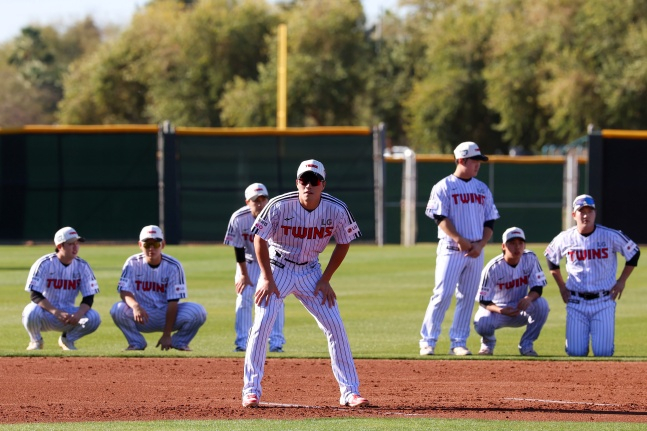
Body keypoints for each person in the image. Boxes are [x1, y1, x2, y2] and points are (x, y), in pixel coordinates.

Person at [241, 159, 369, 408]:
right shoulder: (279, 205)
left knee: (335, 325)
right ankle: (251, 390)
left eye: (315, 180)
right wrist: (266, 277)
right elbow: (259, 239)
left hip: (312, 271)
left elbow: (344, 242)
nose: (309, 185)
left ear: (323, 184)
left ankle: (350, 391)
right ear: (297, 182)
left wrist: (326, 279)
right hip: (278, 268)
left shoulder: (336, 209)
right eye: (304, 180)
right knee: (263, 324)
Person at [419, 141, 500, 356]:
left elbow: (490, 221)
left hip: (476, 250)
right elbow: (439, 217)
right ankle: (428, 341)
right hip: (450, 249)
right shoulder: (443, 186)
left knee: (467, 297)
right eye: (475, 160)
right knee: (442, 295)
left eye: (479, 161)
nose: (478, 165)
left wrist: (481, 244)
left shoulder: (481, 188)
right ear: (462, 160)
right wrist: (459, 238)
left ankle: (458, 342)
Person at [544, 194, 640, 357]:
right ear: (574, 215)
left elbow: (634, 252)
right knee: (575, 352)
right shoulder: (565, 238)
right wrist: (561, 286)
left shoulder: (610, 235)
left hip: (604, 301)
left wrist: (622, 281)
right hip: (576, 302)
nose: (586, 215)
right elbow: (550, 257)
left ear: (595, 213)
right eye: (582, 211)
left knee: (603, 352)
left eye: (590, 211)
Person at [110, 225, 207, 351]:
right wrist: (135, 306)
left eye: (155, 244)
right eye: (147, 244)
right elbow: (124, 291)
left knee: (198, 312)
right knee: (117, 309)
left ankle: (178, 342)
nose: (151, 248)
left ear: (163, 245)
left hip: (166, 312)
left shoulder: (174, 266)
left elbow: (173, 302)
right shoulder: (132, 263)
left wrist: (167, 334)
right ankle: (136, 343)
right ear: (140, 245)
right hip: (141, 314)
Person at [224, 182, 286, 353]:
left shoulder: (277, 215)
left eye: (262, 199)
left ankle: (276, 343)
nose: (259, 203)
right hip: (249, 262)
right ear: (247, 202)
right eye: (255, 200)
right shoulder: (238, 218)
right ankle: (242, 342)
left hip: (272, 261)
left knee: (276, 299)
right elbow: (238, 247)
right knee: (244, 297)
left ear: (267, 199)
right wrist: (243, 275)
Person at [474, 227, 550, 356]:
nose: (517, 247)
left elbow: (538, 287)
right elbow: (483, 300)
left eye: (520, 243)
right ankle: (487, 343)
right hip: (497, 311)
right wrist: (501, 310)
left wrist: (528, 298)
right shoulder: (493, 268)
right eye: (512, 243)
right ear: (504, 246)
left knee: (542, 305)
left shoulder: (530, 258)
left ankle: (527, 345)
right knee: (482, 322)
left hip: (521, 308)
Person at [22, 227, 101, 351]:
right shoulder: (44, 264)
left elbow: (89, 297)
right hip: (45, 314)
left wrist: (78, 314)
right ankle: (36, 341)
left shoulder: (83, 266)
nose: (75, 247)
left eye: (77, 243)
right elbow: (35, 294)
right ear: (59, 246)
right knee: (30, 311)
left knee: (93, 318)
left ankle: (67, 339)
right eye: (71, 244)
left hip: (69, 316)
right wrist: (56, 312)